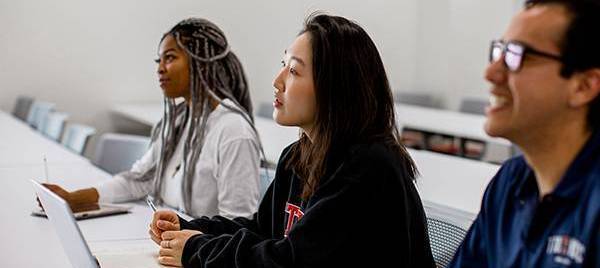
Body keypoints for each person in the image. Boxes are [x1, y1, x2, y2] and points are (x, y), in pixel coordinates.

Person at [148, 13, 435, 267]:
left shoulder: (367, 167)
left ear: (334, 87)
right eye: (283, 65)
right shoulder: (297, 156)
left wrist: (195, 248)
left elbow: (289, 260)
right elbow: (262, 229)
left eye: (294, 70)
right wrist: (190, 228)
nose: (278, 80)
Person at [41, 18, 263, 219]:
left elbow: (237, 224)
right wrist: (72, 199)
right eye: (159, 60)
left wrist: (183, 240)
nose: (160, 69)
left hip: (200, 252)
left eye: (170, 58)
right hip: (174, 242)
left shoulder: (234, 132)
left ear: (201, 62)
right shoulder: (179, 121)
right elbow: (138, 180)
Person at [449, 0, 600, 267]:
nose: (490, 72)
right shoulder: (509, 182)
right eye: (499, 52)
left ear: (583, 86)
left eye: (517, 55)